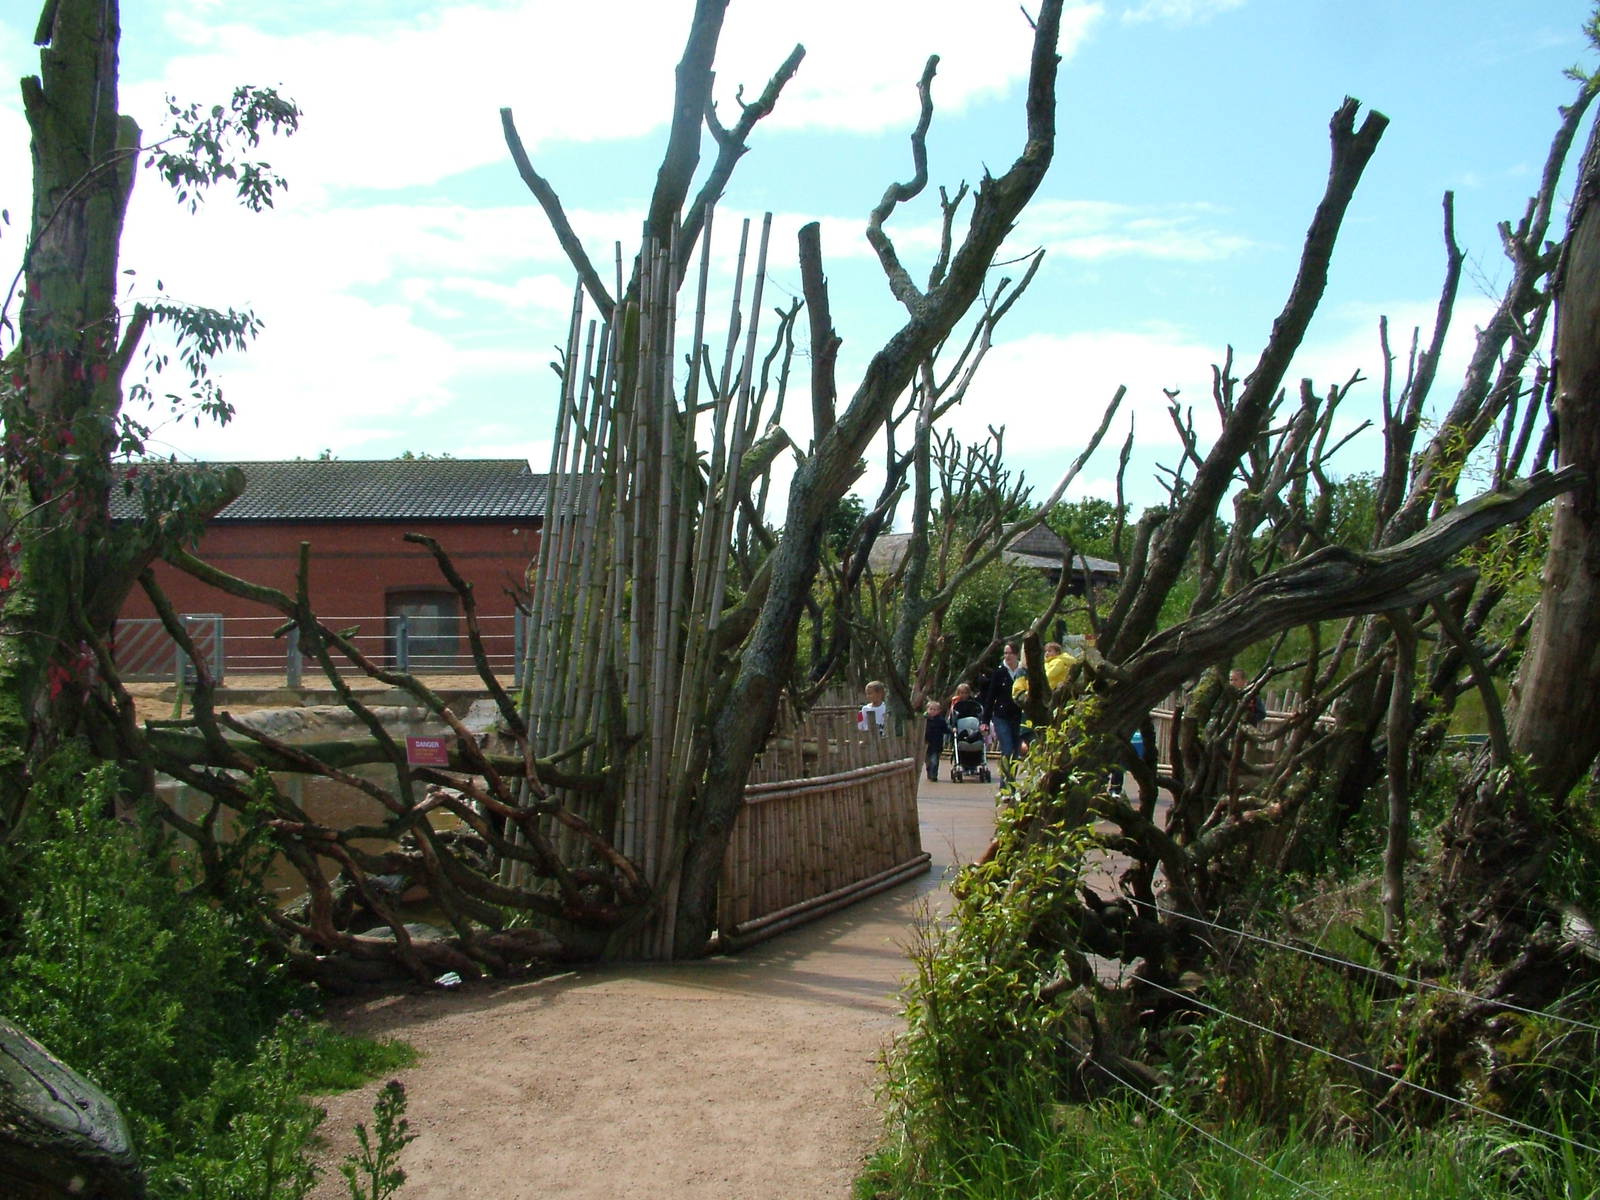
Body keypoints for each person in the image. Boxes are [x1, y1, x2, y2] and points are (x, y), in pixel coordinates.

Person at [980, 644, 1026, 771]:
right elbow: (991, 697)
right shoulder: (999, 672)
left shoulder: (1023, 671)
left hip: (1018, 717)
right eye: (1005, 653)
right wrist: (985, 721)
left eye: (1010, 653)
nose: (1007, 656)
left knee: (1016, 752)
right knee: (1007, 749)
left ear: (1016, 654)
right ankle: (1005, 785)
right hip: (1001, 716)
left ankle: (1010, 784)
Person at [922, 699, 950, 781]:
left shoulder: (941, 721)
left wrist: (952, 731)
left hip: (936, 745)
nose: (933, 711)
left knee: (934, 761)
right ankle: (929, 772)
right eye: (931, 709)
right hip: (926, 744)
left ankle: (934, 775)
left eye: (935, 709)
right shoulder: (924, 720)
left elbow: (945, 729)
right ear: (927, 710)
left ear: (939, 711)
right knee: (928, 762)